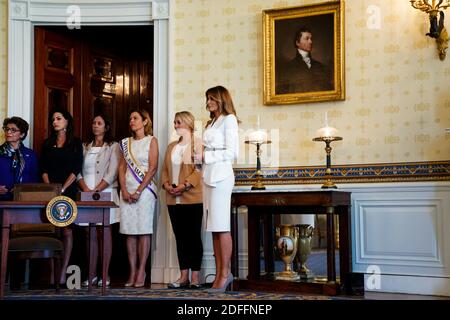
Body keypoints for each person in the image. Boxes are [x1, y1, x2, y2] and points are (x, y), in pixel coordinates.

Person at [198, 86, 239, 292]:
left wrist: (206, 156)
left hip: (221, 177)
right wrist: (198, 160)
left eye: (212, 98)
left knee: (222, 226)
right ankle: (218, 273)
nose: (208, 102)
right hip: (208, 175)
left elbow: (232, 152)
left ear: (221, 99)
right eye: (207, 98)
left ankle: (225, 274)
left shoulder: (229, 119)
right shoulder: (211, 122)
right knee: (213, 228)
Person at [77, 113, 121, 287]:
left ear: (106, 127)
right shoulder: (84, 146)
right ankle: (92, 274)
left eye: (99, 123)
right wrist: (86, 189)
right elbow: (77, 169)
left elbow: (112, 172)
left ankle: (105, 273)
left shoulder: (113, 146)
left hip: (106, 192)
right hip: (86, 193)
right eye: (94, 122)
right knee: (89, 233)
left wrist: (97, 190)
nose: (95, 125)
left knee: (105, 231)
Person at [40, 109, 83, 285]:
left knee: (66, 230)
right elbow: (42, 168)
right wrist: (51, 188)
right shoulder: (47, 143)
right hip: (50, 191)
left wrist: (63, 189)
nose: (55, 122)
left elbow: (76, 168)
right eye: (53, 119)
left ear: (67, 121)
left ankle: (64, 272)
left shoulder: (75, 143)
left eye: (58, 119)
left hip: (68, 192)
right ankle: (52, 273)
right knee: (53, 231)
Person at [161, 111, 203, 289]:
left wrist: (185, 185)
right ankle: (183, 276)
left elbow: (199, 169)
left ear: (188, 123)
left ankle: (195, 277)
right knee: (180, 238)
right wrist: (167, 185)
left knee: (193, 237)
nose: (176, 125)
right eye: (175, 123)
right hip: (172, 199)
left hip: (192, 198)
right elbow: (164, 170)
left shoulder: (198, 144)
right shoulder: (171, 146)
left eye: (179, 122)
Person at [119, 109, 158, 288]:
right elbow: (121, 169)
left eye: (135, 118)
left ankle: (142, 270)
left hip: (145, 191)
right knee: (129, 231)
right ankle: (132, 270)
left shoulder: (152, 141)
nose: (131, 121)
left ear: (144, 121)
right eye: (130, 118)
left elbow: (152, 168)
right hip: (127, 190)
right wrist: (125, 190)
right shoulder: (125, 143)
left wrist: (139, 191)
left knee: (143, 230)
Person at [276, 26, 333, 94]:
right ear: (297, 42)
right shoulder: (288, 68)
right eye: (307, 39)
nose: (310, 41)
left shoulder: (320, 66)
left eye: (311, 39)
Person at [0, 117, 39, 200]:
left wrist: (23, 189)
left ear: (22, 134)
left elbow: (35, 179)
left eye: (13, 130)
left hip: (23, 201)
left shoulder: (30, 154)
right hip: (2, 200)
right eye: (7, 129)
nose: (8, 132)